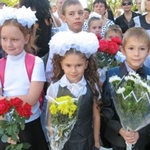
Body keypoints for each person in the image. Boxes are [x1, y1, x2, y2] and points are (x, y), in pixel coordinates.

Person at [0, 6, 49, 150]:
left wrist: (5, 100)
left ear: (26, 38)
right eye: (4, 38)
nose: (8, 44)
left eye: (14, 39)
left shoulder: (35, 62)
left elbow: (32, 98)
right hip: (6, 124)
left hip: (30, 123)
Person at [46, 31, 101, 150]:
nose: (74, 70)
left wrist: (96, 142)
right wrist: (54, 141)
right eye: (68, 65)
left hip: (86, 140)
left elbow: (96, 116)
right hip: (64, 144)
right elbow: (50, 117)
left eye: (79, 65)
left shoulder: (91, 86)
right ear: (61, 64)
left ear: (86, 64)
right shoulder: (55, 88)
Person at [101, 27, 150, 150]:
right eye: (131, 48)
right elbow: (106, 108)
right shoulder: (112, 75)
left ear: (148, 51)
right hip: (117, 140)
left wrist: (140, 132)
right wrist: (120, 129)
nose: (136, 54)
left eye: (142, 49)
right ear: (122, 50)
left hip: (143, 141)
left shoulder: (149, 76)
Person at [46, 0, 85, 83]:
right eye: (71, 14)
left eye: (80, 13)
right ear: (64, 18)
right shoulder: (59, 41)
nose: (77, 17)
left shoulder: (90, 40)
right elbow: (50, 71)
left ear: (84, 15)